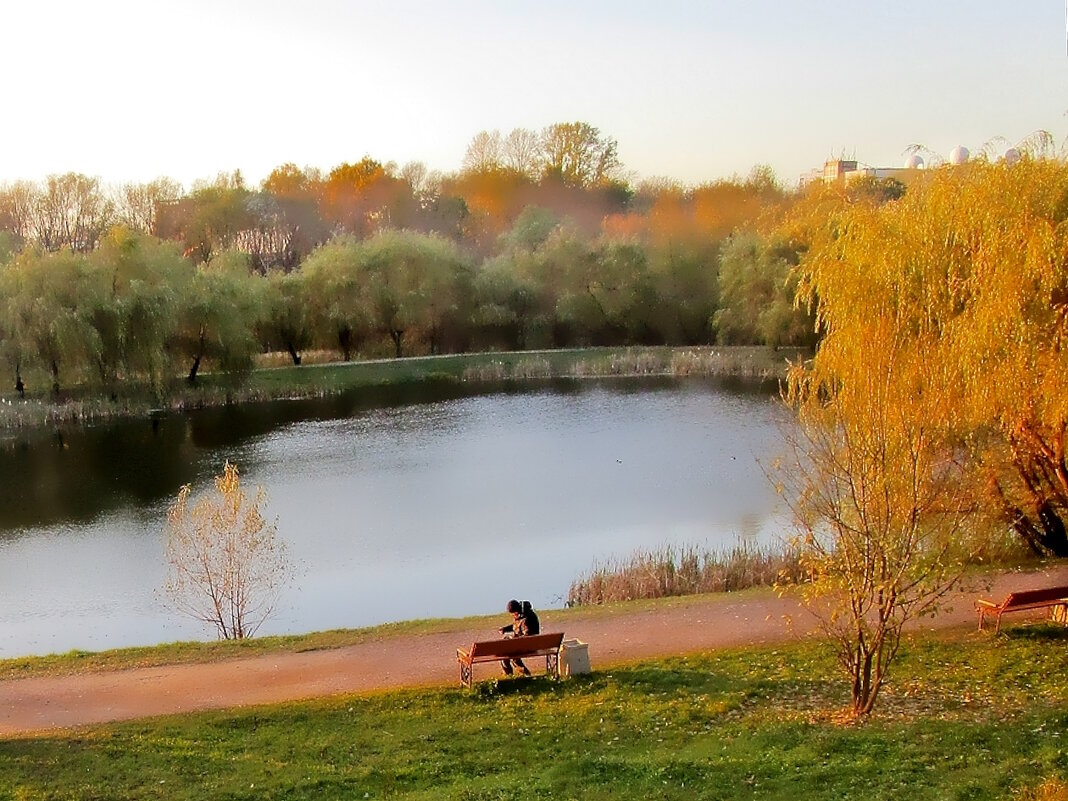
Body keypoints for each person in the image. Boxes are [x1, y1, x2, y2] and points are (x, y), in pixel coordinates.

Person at [498, 599, 539, 676]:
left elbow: (527, 635)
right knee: (507, 650)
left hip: (529, 646)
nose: (513, 615)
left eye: (513, 613)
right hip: (531, 643)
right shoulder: (524, 614)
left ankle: (512, 674)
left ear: (516, 611)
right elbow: (516, 626)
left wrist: (514, 640)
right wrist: (505, 629)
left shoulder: (526, 619)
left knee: (506, 654)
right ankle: (523, 673)